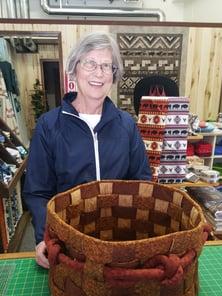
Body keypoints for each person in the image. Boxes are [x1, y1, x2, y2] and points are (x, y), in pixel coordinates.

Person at [23, 32, 152, 269]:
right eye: (90, 63)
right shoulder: (49, 126)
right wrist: (44, 238)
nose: (99, 72)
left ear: (113, 76)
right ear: (74, 69)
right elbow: (38, 193)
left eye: (106, 66)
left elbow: (142, 183)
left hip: (119, 244)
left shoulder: (126, 126)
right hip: (68, 245)